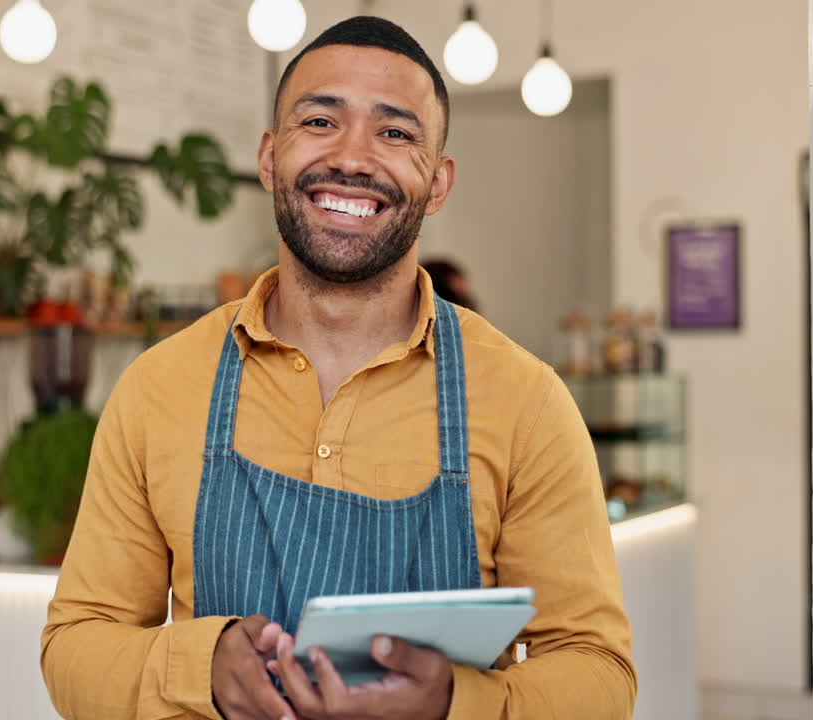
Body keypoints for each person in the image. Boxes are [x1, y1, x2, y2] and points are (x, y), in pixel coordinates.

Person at [41, 16, 635, 720]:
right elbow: (76, 645)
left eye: (395, 132)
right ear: (269, 158)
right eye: (320, 121)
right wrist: (199, 669)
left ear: (438, 183)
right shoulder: (160, 386)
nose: (353, 158)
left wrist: (454, 705)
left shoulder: (527, 402)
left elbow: (599, 675)